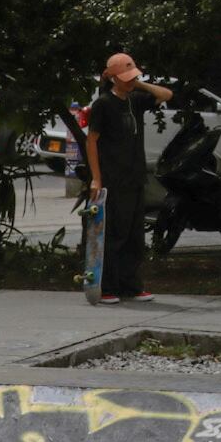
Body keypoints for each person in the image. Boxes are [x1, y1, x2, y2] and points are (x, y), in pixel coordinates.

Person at [83, 52, 172, 305]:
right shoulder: (103, 104)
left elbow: (165, 95)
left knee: (134, 235)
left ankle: (131, 285)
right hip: (113, 179)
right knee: (115, 234)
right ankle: (108, 286)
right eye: (124, 77)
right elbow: (92, 142)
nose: (129, 81)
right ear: (111, 77)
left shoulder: (135, 100)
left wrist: (137, 82)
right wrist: (96, 179)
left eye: (132, 75)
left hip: (135, 177)